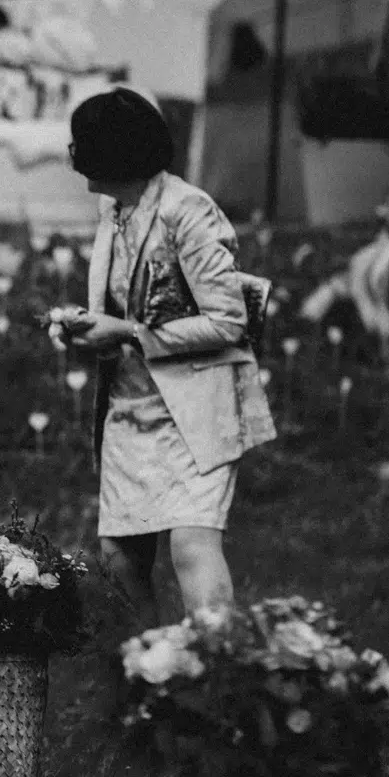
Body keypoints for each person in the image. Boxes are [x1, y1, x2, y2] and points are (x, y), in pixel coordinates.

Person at [58, 87, 276, 624]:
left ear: (113, 153)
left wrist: (129, 332)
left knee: (191, 545)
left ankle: (217, 661)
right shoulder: (114, 208)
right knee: (120, 558)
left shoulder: (188, 211)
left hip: (194, 408)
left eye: (82, 143)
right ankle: (147, 666)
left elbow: (228, 321)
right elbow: (120, 306)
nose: (73, 153)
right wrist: (85, 329)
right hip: (131, 407)